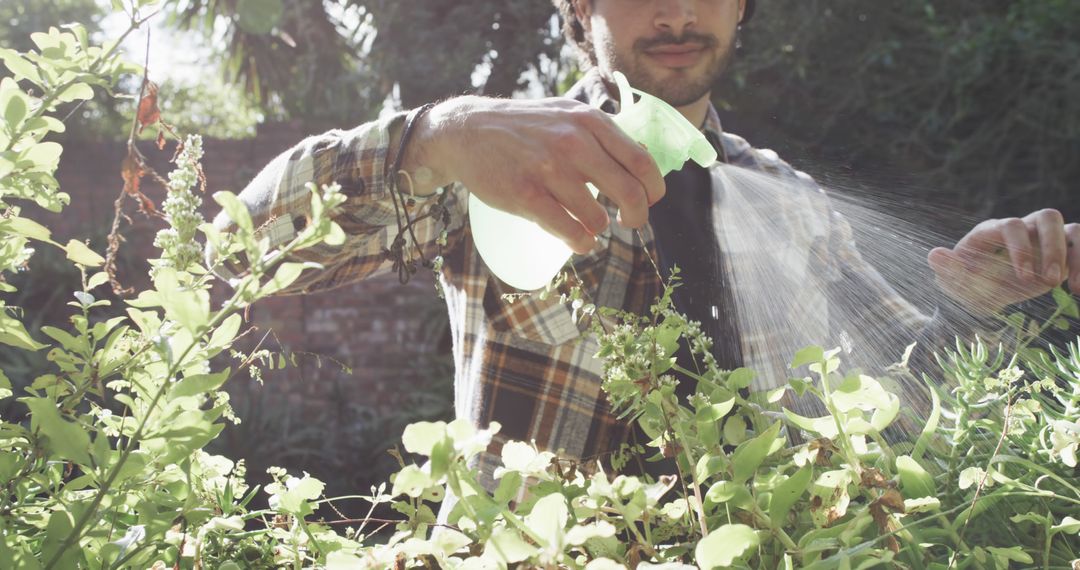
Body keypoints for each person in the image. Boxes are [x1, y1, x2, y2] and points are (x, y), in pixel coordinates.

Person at [208, 0, 1079, 487]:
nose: (673, 11)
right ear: (578, 6)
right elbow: (243, 251)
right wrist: (435, 138)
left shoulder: (793, 202)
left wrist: (970, 306)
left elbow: (890, 398)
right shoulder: (503, 157)